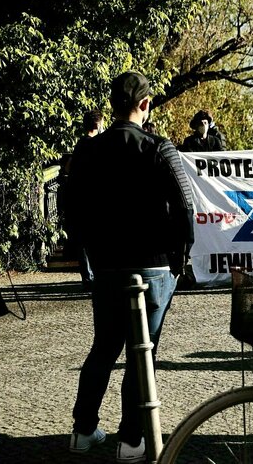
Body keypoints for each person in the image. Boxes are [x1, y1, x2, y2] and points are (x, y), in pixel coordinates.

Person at [65, 71, 195, 462]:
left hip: (106, 264)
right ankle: (130, 439)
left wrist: (87, 251)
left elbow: (70, 207)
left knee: (103, 348)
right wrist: (180, 257)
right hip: (152, 265)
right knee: (143, 351)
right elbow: (185, 205)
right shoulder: (158, 147)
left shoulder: (87, 150)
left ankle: (83, 429)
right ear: (145, 105)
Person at [62, 110, 103, 287]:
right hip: (93, 198)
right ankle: (94, 275)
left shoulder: (80, 145)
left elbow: (68, 169)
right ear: (98, 124)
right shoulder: (97, 145)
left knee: (83, 241)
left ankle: (88, 275)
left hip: (79, 198)